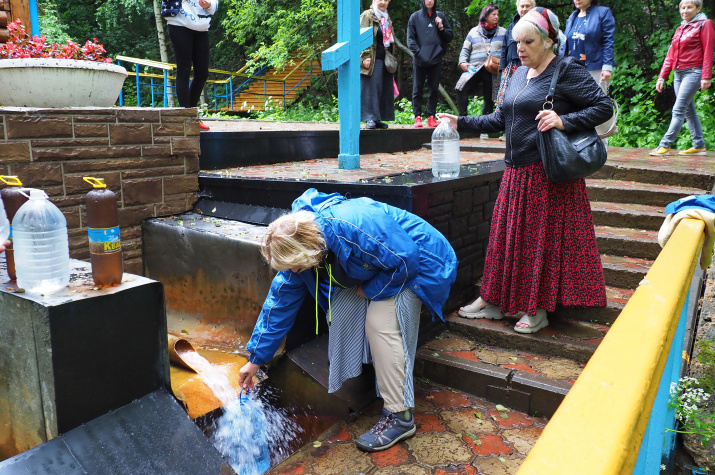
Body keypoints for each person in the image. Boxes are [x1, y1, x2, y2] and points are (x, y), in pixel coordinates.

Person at [238, 188, 457, 451]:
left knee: (380, 323)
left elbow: (405, 260)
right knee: (341, 304)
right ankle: (380, 373)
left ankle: (400, 416)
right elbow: (279, 303)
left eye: (294, 266)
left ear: (305, 251)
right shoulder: (300, 247)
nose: (293, 271)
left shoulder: (350, 225)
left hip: (423, 262)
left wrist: (371, 290)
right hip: (387, 265)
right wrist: (255, 359)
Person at [440, 8, 611, 334]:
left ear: (548, 41)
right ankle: (492, 300)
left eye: (528, 42)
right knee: (504, 241)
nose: (520, 48)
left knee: (538, 245)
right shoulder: (517, 72)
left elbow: (603, 107)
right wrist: (460, 122)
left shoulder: (565, 70)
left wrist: (563, 120)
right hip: (515, 173)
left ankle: (537, 310)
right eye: (517, 42)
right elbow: (500, 119)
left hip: (547, 176)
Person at [650, 0, 713, 156]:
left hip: (694, 72)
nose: (685, 10)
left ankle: (664, 145)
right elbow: (670, 55)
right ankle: (699, 145)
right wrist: (662, 77)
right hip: (678, 74)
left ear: (698, 9)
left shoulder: (705, 24)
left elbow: (708, 51)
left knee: (678, 110)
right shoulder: (680, 29)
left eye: (689, 7)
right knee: (688, 111)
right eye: (682, 7)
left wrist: (706, 76)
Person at [165, 0, 218, 131]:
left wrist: (209, 4)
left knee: (202, 74)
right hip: (179, 23)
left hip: (201, 27)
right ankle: (187, 118)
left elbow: (214, 5)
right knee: (184, 70)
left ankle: (191, 116)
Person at [407, 0, 453, 128]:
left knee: (433, 88)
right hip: (420, 59)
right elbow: (410, 39)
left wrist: (441, 28)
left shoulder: (440, 16)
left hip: (436, 59)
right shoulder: (415, 17)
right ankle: (417, 116)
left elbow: (449, 37)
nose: (429, 1)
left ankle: (431, 116)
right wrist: (419, 53)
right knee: (417, 88)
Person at [455, 4, 507, 119]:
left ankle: (485, 125)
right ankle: (463, 120)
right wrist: (462, 62)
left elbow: (508, 52)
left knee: (490, 97)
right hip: (475, 69)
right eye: (493, 14)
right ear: (486, 16)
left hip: (494, 71)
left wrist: (504, 66)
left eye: (497, 14)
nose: (496, 17)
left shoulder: (504, 32)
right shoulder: (473, 32)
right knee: (461, 88)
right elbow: (465, 51)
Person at [564, 0, 616, 97]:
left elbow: (608, 41)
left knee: (597, 102)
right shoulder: (572, 17)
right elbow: (565, 44)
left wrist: (607, 67)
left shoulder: (603, 13)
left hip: (595, 68)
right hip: (572, 70)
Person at [361, 0, 396, 130]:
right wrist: (365, 56)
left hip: (384, 58)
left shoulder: (386, 17)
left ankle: (377, 118)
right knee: (371, 88)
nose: (383, 2)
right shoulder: (367, 15)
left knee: (383, 89)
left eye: (385, 0)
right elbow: (362, 36)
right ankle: (369, 118)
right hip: (372, 58)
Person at [495, 0, 536, 110]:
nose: (524, 9)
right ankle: (503, 117)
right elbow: (504, 47)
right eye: (522, 6)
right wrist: (502, 68)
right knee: (505, 96)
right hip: (512, 66)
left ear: (533, 7)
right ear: (518, 8)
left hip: (530, 65)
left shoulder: (536, 25)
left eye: (527, 6)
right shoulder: (511, 26)